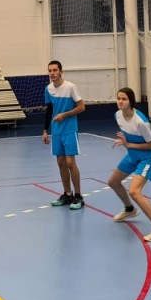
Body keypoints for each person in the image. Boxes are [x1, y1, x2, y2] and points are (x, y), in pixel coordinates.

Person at [106, 88, 151, 242]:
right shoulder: (118, 115)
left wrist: (128, 145)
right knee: (113, 182)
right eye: (118, 98)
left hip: (148, 157)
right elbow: (129, 135)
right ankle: (129, 209)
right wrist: (125, 141)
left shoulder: (141, 122)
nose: (120, 101)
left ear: (131, 101)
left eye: (124, 99)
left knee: (134, 191)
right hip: (132, 155)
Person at [42, 60, 85, 209]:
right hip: (56, 131)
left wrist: (65, 115)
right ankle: (67, 194)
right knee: (60, 162)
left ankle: (78, 196)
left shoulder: (70, 87)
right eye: (50, 70)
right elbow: (49, 110)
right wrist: (45, 130)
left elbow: (81, 107)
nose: (52, 73)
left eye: (55, 70)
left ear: (61, 71)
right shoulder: (48, 89)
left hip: (70, 129)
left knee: (70, 162)